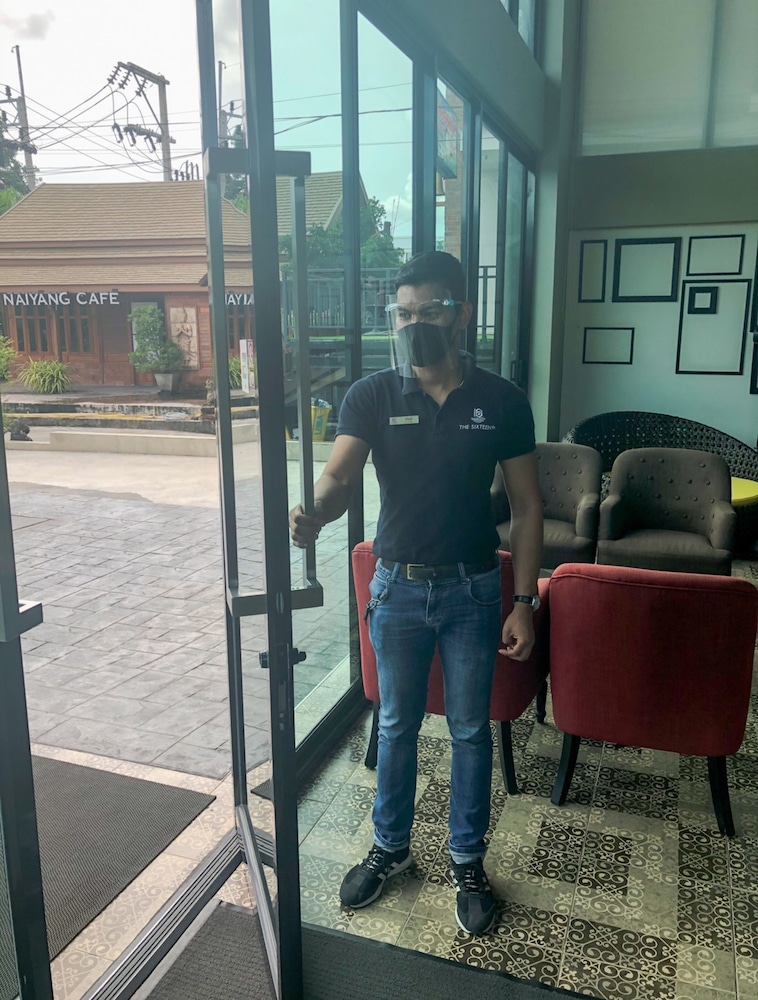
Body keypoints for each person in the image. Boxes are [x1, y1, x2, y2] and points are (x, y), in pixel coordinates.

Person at [289, 250, 542, 935]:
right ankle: (391, 848)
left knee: (469, 731)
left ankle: (466, 859)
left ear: (461, 314)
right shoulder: (372, 394)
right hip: (397, 590)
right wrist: (317, 508)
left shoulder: (501, 400)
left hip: (474, 591)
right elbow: (340, 476)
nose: (413, 324)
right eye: (401, 314)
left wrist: (524, 602)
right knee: (396, 725)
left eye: (428, 311)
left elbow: (527, 507)